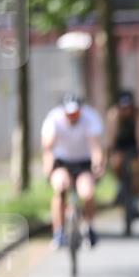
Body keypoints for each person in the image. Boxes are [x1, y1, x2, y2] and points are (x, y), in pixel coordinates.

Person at [41, 94, 104, 249]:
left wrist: (98, 163)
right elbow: (48, 147)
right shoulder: (53, 119)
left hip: (84, 162)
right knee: (60, 188)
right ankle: (59, 232)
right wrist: (48, 166)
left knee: (87, 193)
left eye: (75, 113)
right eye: (69, 114)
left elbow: (95, 146)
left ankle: (90, 228)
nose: (72, 117)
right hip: (62, 162)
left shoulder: (90, 118)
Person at [105, 89, 139, 220]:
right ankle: (120, 186)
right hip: (119, 145)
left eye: (128, 107)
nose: (126, 110)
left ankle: (135, 199)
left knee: (137, 168)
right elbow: (111, 136)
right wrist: (109, 153)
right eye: (123, 107)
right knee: (116, 163)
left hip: (133, 144)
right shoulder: (113, 114)